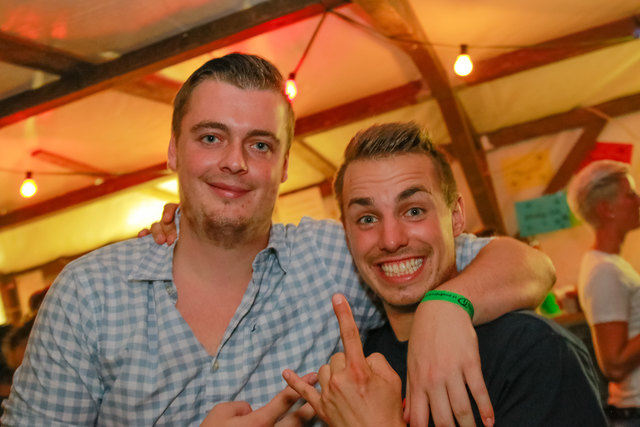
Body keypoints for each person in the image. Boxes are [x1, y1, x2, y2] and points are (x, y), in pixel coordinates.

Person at [2, 54, 554, 426]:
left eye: (260, 145)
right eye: (211, 137)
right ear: (173, 151)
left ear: (285, 165)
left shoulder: (336, 257)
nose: (235, 162)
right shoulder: (89, 295)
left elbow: (528, 265)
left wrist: (446, 304)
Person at [284, 122, 607, 426]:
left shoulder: (532, 349)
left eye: (414, 211)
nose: (391, 240)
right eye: (367, 219)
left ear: (455, 217)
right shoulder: (355, 373)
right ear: (347, 236)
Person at [567, 160, 640, 426]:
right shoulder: (604, 271)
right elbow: (614, 364)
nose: (639, 200)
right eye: (630, 194)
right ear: (606, 209)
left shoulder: (611, 265)